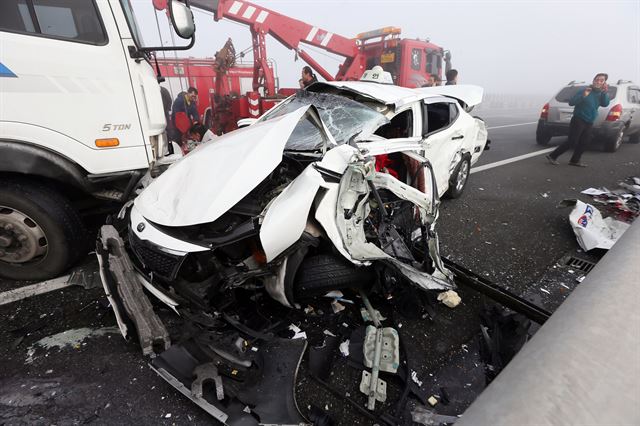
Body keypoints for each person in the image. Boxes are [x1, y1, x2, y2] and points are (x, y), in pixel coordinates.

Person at [546, 73, 610, 167]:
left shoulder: (601, 93)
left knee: (585, 141)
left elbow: (605, 104)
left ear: (604, 83)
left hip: (589, 120)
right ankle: (553, 156)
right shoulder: (585, 90)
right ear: (593, 80)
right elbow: (572, 102)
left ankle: (575, 161)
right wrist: (583, 95)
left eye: (601, 80)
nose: (598, 81)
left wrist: (604, 92)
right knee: (572, 141)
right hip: (578, 119)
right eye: (597, 79)